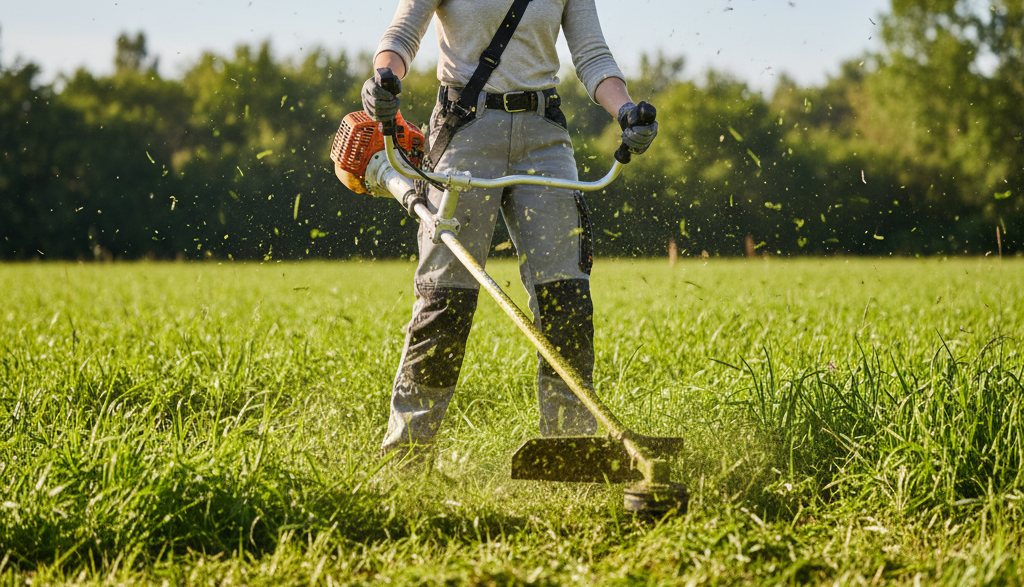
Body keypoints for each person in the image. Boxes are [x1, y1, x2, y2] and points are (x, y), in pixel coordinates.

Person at [362, 0, 658, 464]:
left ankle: (569, 453)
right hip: (464, 127)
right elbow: (401, 37)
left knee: (566, 298)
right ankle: (406, 457)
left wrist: (626, 112)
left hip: (544, 136)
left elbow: (592, 55)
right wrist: (384, 79)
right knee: (445, 300)